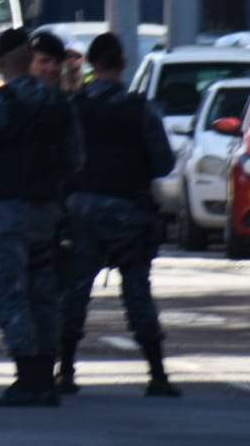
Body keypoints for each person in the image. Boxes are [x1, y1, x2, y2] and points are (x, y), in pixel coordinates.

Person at [0, 27, 81, 407]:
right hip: (45, 215)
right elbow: (76, 159)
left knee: (11, 297)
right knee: (43, 297)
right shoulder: (59, 103)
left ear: (0, 63)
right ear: (29, 59)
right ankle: (44, 376)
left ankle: (27, 378)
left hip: (2, 216)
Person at [59, 31, 180, 398]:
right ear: (123, 64)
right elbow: (163, 163)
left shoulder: (75, 108)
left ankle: (64, 371)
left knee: (75, 292)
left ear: (93, 65)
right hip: (129, 212)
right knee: (137, 292)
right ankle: (157, 374)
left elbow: (61, 160)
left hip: (82, 211)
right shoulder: (140, 109)